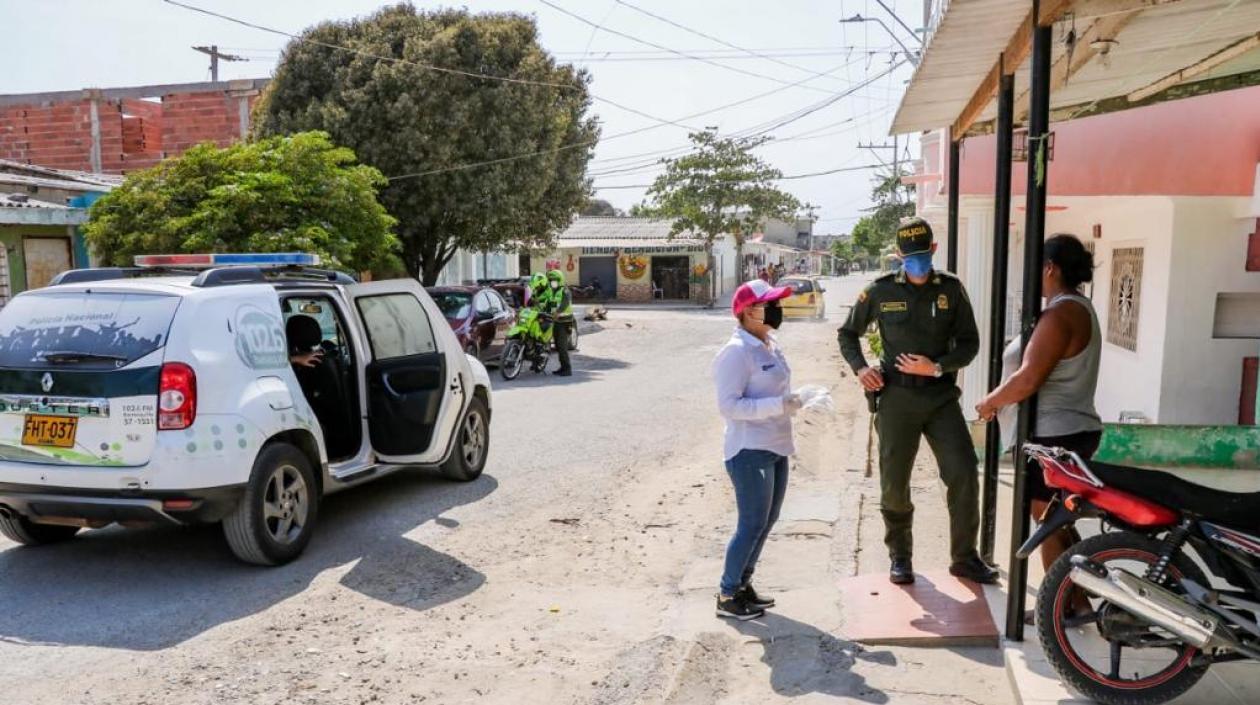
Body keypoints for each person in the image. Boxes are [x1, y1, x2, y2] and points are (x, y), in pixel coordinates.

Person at [837, 218, 998, 586]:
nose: (918, 263)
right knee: (894, 483)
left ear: (934, 251)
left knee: (963, 473)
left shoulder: (952, 290)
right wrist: (861, 368)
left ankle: (964, 557)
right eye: (910, 257)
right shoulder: (878, 292)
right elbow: (847, 333)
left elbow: (970, 343)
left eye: (923, 255)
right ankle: (900, 557)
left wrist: (938, 366)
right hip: (896, 398)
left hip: (940, 398)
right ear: (898, 256)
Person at [976, 234, 1101, 591]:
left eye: (1036, 268)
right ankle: (1076, 600)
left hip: (1055, 434)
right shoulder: (1074, 306)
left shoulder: (1062, 313)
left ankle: (1060, 604)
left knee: (1047, 522)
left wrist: (991, 402)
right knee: (1058, 521)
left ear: (1050, 268)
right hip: (1069, 428)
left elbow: (1028, 378)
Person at [712, 279, 803, 621]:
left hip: (776, 445)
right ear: (749, 311)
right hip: (749, 449)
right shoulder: (735, 352)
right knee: (750, 523)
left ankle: (743, 584)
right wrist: (779, 404)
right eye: (771, 303)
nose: (777, 309)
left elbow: (776, 391)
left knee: (767, 521)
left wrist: (798, 399)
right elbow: (729, 406)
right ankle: (726, 593)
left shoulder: (769, 344)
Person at [540, 269, 574, 377]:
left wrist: (557, 312)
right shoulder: (552, 292)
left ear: (559, 280)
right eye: (550, 280)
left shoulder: (565, 291)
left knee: (562, 347)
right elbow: (548, 305)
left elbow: (564, 304)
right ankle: (562, 367)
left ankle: (567, 369)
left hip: (565, 322)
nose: (552, 282)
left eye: (554, 280)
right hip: (556, 322)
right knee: (558, 347)